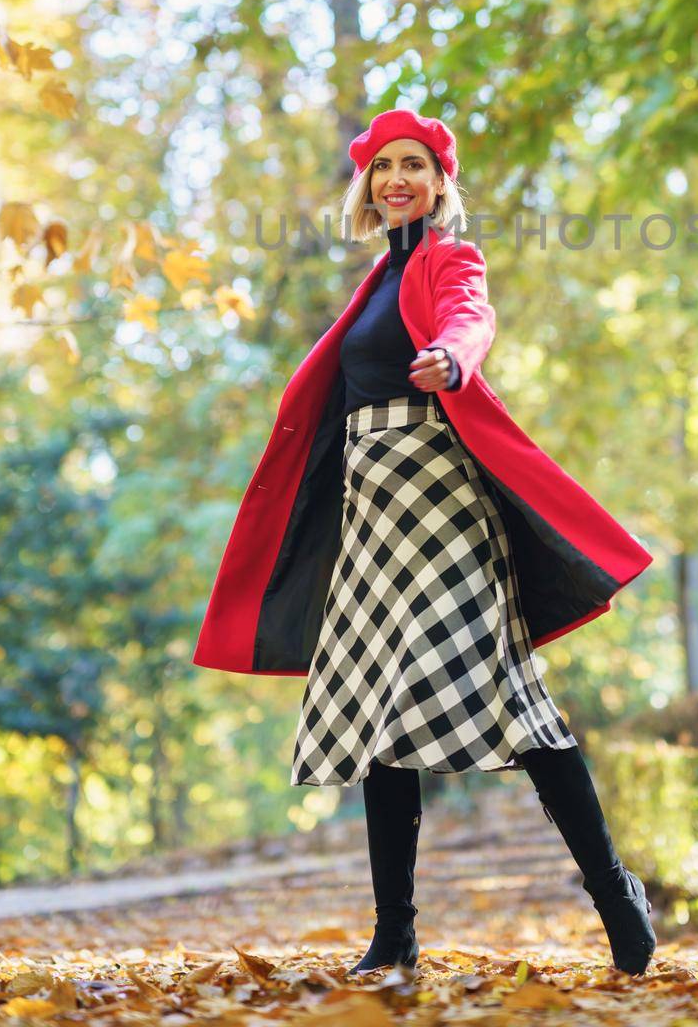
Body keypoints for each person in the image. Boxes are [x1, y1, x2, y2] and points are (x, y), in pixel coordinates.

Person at [192, 108, 656, 978]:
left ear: (441, 183)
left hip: (441, 501)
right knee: (380, 715)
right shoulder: (372, 280)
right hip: (373, 515)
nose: (397, 178)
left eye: (415, 164)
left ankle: (613, 892)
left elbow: (469, 317)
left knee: (514, 702)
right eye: (382, 167)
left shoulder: (450, 258)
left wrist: (450, 355)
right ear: (366, 186)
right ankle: (394, 931)